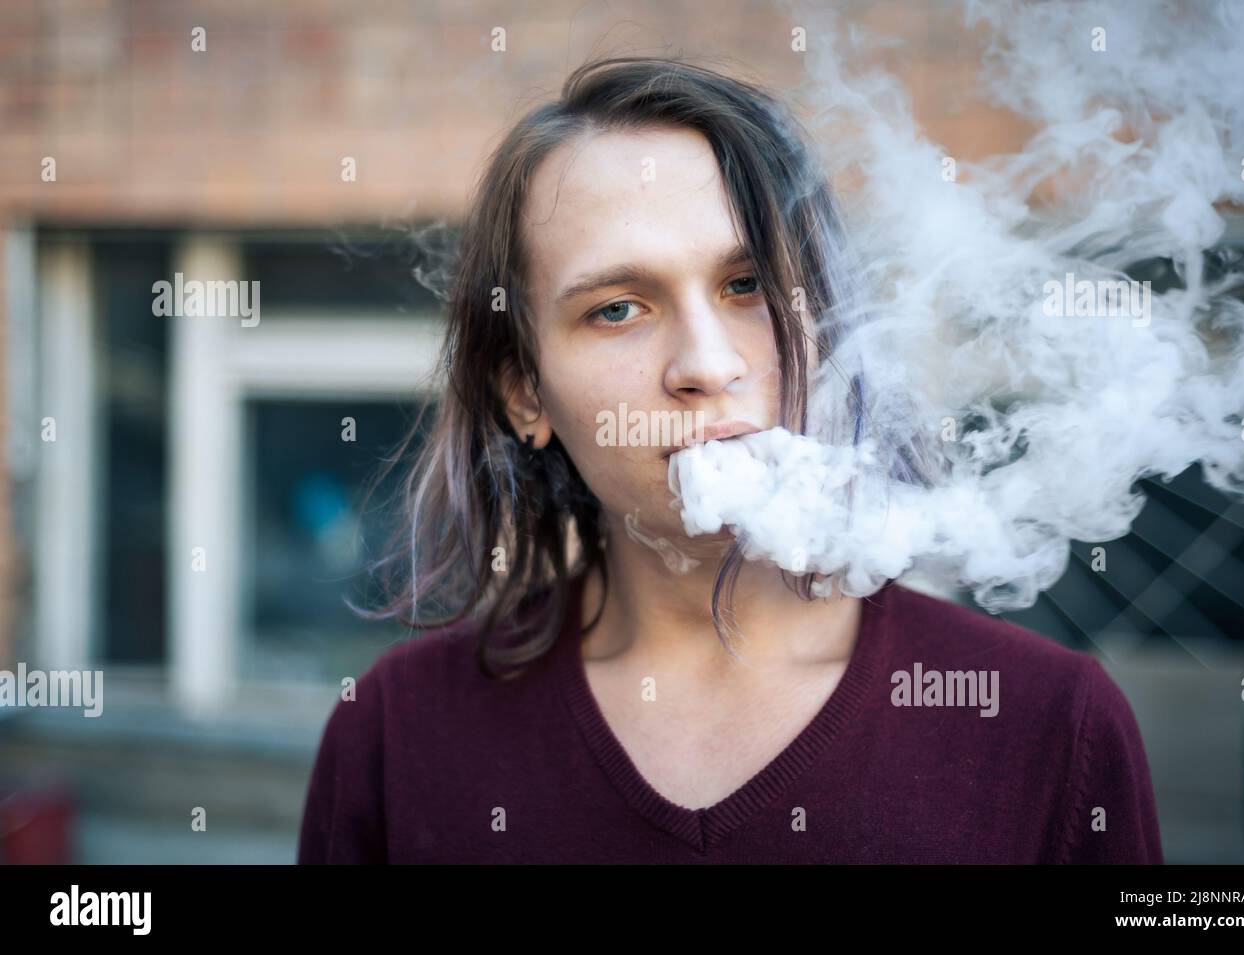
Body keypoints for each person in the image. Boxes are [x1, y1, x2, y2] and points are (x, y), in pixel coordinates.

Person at [297, 55, 1163, 863]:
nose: (707, 364)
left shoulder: (1046, 726)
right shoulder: (396, 732)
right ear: (525, 392)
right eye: (617, 309)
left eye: (748, 287)